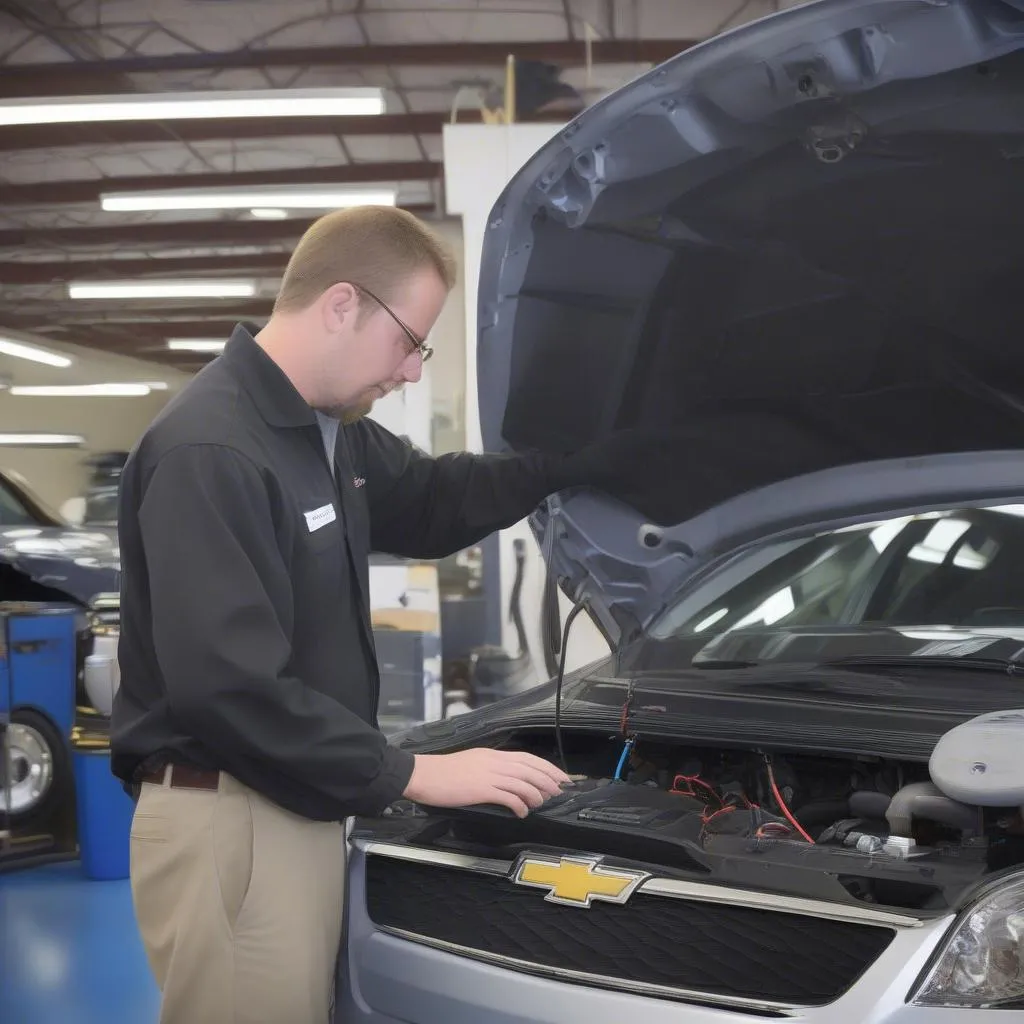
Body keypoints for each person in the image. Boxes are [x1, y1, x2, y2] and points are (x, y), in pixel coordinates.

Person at [110, 205, 657, 1024]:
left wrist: (570, 465)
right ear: (341, 305)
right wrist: (412, 772)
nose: (408, 372)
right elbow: (224, 684)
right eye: (409, 341)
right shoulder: (214, 450)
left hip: (291, 799)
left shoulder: (323, 435)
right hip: (233, 819)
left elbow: (435, 500)